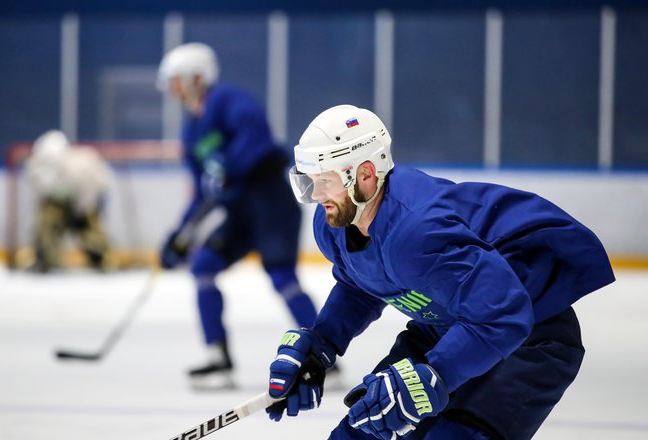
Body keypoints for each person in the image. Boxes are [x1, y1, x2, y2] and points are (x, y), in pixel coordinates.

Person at [266, 104, 615, 440]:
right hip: (447, 327)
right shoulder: (334, 225)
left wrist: (434, 376)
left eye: (325, 181)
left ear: (367, 174)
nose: (317, 195)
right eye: (309, 182)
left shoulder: (417, 233)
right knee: (359, 433)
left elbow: (504, 316)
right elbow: (362, 283)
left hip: (532, 338)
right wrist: (323, 343)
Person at [156, 42, 320, 389]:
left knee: (281, 276)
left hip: (271, 204)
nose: (173, 88)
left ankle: (323, 357)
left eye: (177, 79)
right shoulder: (191, 132)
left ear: (197, 77)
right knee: (203, 267)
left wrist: (229, 165)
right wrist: (181, 234)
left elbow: (257, 141)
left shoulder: (229, 101)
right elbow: (203, 191)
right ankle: (219, 358)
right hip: (240, 212)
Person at [24, 130, 112, 272]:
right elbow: (42, 194)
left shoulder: (81, 166)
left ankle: (101, 259)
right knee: (46, 226)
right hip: (58, 205)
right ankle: (45, 259)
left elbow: (95, 189)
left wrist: (81, 211)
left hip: (83, 204)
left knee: (91, 231)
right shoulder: (36, 167)